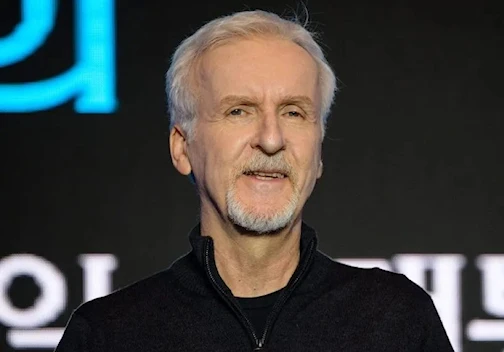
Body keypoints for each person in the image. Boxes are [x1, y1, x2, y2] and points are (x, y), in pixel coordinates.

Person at [56, 10, 454, 352]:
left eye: (294, 113)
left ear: (319, 151)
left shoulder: (396, 320)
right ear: (182, 147)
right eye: (239, 111)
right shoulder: (109, 335)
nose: (271, 139)